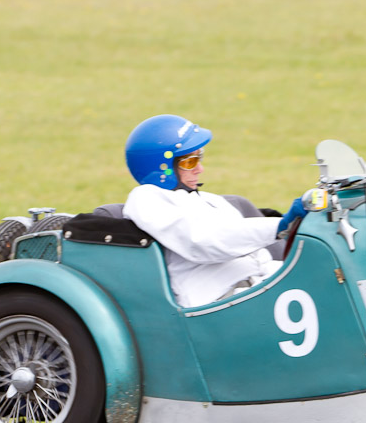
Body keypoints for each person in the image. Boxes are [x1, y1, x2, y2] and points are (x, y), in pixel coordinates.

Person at [123, 114, 307, 307]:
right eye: (190, 162)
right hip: (220, 301)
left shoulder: (210, 200)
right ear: (163, 168)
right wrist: (280, 225)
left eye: (199, 158)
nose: (200, 169)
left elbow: (258, 257)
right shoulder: (147, 198)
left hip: (258, 285)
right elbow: (204, 241)